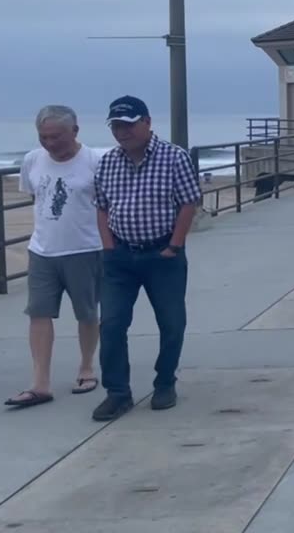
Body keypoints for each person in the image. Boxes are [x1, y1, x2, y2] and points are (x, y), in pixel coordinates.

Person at [92, 96, 202, 422]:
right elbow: (101, 206)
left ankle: (165, 382)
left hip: (162, 255)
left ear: (147, 122)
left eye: (128, 124)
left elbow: (188, 202)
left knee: (171, 323)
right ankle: (117, 393)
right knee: (111, 323)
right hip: (120, 257)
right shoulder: (108, 161)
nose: (121, 132)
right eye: (116, 126)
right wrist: (108, 247)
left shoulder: (174, 157)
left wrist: (175, 246)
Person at [4, 106, 104, 409]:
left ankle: (86, 367)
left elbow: (105, 204)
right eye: (43, 137)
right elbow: (36, 197)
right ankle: (40, 383)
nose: (50, 143)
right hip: (42, 249)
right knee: (38, 313)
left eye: (56, 137)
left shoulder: (95, 161)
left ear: (74, 131)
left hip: (85, 249)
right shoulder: (33, 159)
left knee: (86, 312)